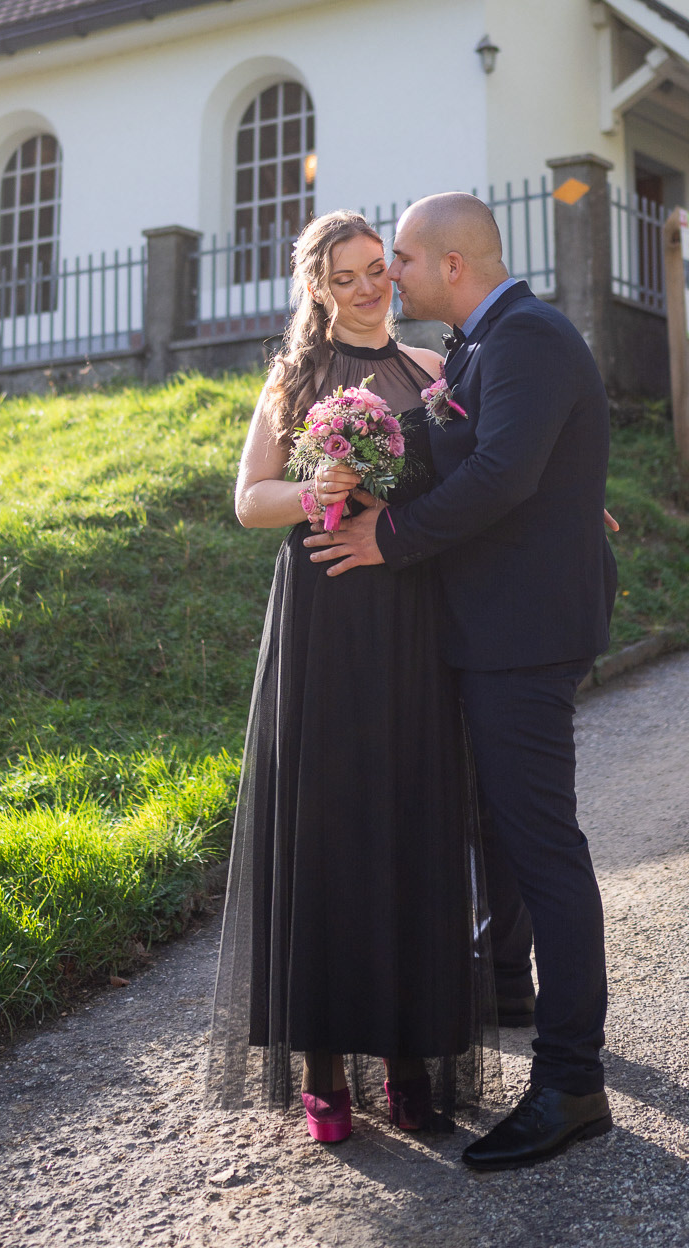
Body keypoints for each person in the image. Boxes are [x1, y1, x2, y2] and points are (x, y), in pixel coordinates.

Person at [306, 191, 617, 1172]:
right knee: (506, 834)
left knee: (542, 846)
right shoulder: (479, 346)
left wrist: (387, 537)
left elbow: (500, 477)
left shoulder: (525, 338)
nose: (389, 274)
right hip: (489, 627)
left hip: (523, 636)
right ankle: (507, 985)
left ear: (450, 265)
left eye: (399, 257)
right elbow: (481, 460)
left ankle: (570, 1084)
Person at [205, 209, 499, 1143]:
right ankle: (324, 1070)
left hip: (410, 616)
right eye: (345, 276)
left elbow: (478, 479)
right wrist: (314, 490)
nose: (369, 287)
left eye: (377, 268)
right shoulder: (294, 378)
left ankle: (411, 1063)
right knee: (327, 826)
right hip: (325, 621)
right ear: (317, 288)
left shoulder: (430, 369)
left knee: (411, 820)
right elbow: (249, 500)